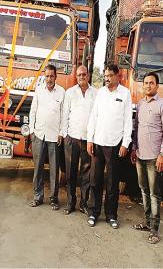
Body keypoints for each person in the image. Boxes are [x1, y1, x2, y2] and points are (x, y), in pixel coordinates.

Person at [86, 64, 132, 228]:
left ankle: (111, 215)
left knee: (112, 182)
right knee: (95, 181)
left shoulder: (125, 94)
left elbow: (128, 121)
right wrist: (89, 139)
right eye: (105, 76)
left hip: (115, 144)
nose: (106, 78)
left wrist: (125, 143)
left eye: (110, 75)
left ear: (118, 76)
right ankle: (93, 212)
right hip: (98, 142)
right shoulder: (100, 93)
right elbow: (93, 117)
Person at [131, 71, 163, 244]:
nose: (148, 85)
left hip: (155, 157)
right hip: (140, 155)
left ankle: (154, 230)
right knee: (143, 190)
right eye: (146, 83)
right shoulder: (140, 104)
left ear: (157, 86)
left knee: (155, 194)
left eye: (151, 83)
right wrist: (134, 148)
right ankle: (147, 223)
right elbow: (136, 127)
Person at [28, 64, 65, 210]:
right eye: (47, 76)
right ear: (44, 77)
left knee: (54, 169)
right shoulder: (39, 90)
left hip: (54, 136)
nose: (49, 79)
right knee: (38, 168)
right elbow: (33, 111)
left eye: (51, 76)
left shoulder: (62, 92)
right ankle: (38, 197)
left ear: (56, 77)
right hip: (38, 134)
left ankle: (54, 199)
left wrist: (61, 133)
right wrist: (31, 130)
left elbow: (63, 115)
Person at [62, 65, 97, 215]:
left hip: (87, 139)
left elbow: (97, 116)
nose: (82, 77)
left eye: (84, 74)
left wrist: (93, 137)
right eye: (79, 75)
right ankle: (71, 202)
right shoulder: (70, 93)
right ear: (76, 77)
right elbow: (65, 115)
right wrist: (65, 135)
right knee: (70, 172)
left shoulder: (95, 93)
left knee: (86, 173)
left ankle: (83, 203)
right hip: (72, 137)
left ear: (88, 75)